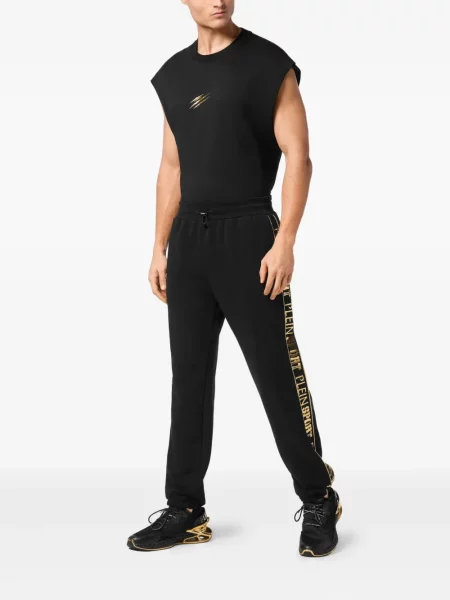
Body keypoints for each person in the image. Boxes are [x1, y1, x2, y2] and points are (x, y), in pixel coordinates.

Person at [127, 0, 341, 558]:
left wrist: (285, 240)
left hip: (250, 236)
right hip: (189, 241)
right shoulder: (174, 74)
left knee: (275, 373)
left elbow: (299, 156)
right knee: (189, 379)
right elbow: (171, 166)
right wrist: (159, 247)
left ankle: (318, 495)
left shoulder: (268, 64)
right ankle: (185, 509)